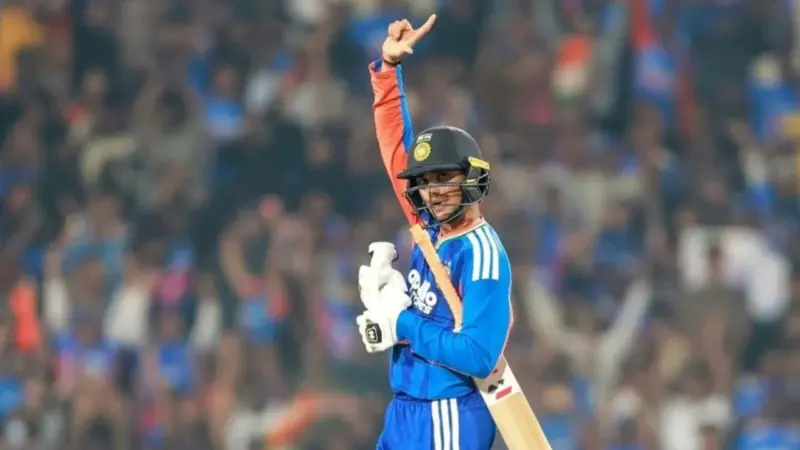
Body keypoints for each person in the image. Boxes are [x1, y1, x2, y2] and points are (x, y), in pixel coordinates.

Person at [355, 14, 511, 450]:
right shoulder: (430, 226)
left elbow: (479, 355)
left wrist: (401, 320)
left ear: (471, 178)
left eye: (444, 177)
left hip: (447, 413)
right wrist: (389, 69)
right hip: (406, 410)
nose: (434, 191)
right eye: (425, 181)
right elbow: (396, 149)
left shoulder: (481, 254)